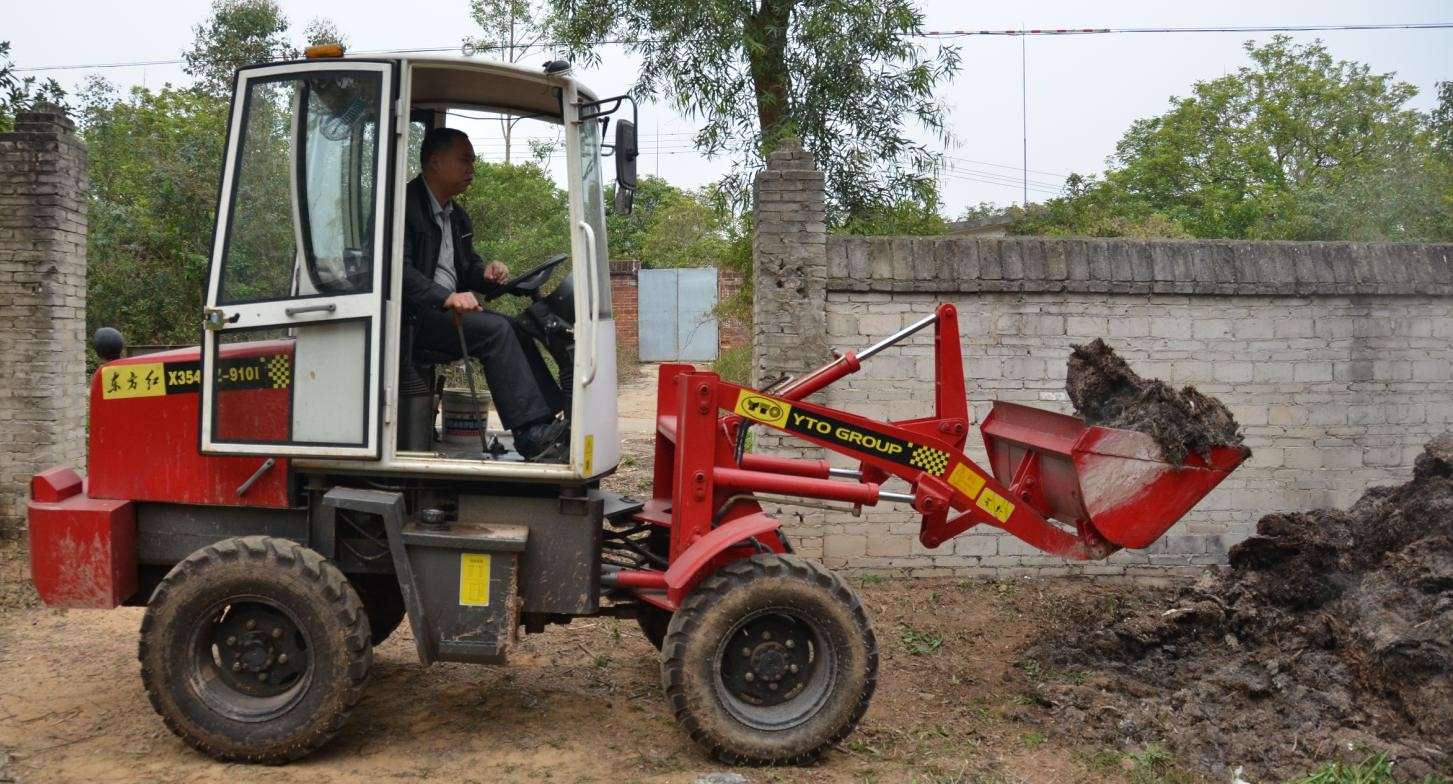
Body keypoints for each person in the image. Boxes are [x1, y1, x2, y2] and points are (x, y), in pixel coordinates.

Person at [403, 127, 569, 461]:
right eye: (464, 160)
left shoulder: (457, 216)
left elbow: (468, 270)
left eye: (473, 161)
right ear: (435, 161)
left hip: (444, 313)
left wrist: (489, 274)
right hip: (412, 318)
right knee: (496, 331)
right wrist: (446, 297)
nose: (472, 169)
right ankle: (528, 435)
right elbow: (398, 272)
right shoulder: (404, 206)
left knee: (517, 327)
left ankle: (550, 420)